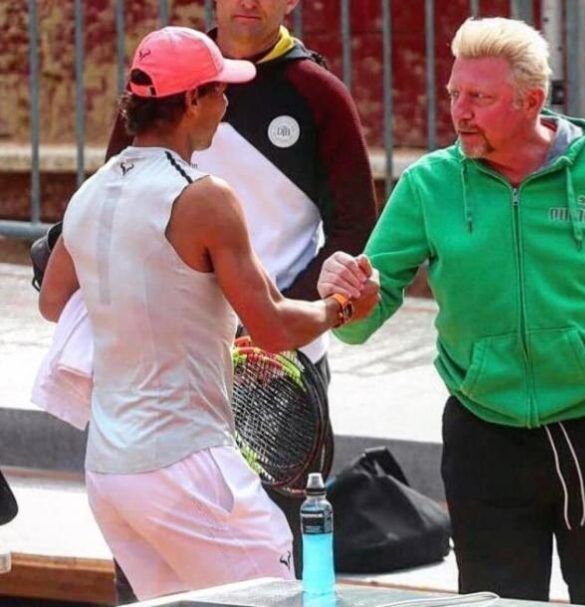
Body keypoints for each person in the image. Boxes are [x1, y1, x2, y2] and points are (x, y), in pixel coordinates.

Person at [318, 17, 585, 607]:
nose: (459, 111)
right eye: (453, 94)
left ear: (531, 102)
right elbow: (364, 317)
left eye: (479, 97)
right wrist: (348, 299)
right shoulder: (428, 186)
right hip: (483, 436)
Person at [38, 26, 377, 601]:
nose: (228, 103)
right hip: (189, 465)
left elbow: (52, 302)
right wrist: (340, 307)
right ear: (192, 101)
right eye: (221, 91)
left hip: (111, 474)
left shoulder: (90, 194)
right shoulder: (204, 197)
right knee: (279, 599)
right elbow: (272, 328)